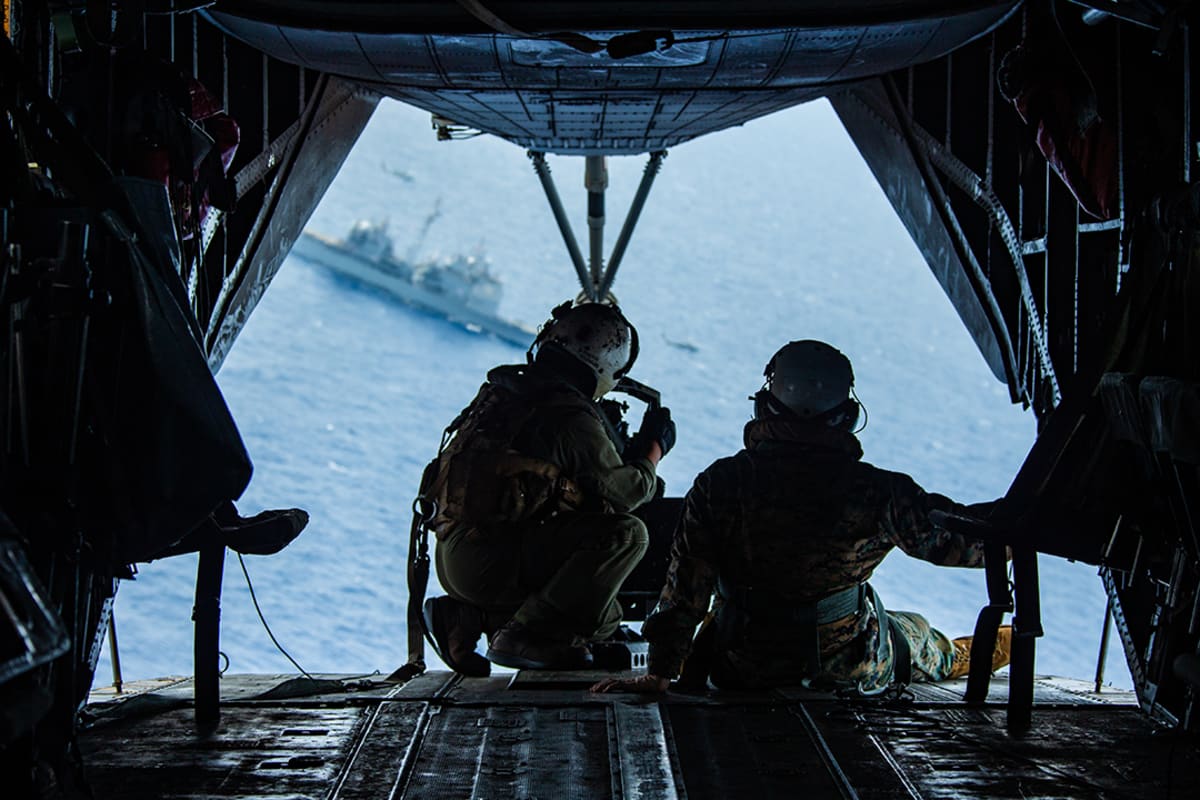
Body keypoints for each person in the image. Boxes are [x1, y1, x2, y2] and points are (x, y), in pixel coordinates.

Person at [592, 339, 1009, 695]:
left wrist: (661, 672)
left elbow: (686, 586)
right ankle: (979, 651)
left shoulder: (720, 483)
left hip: (738, 664)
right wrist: (1018, 519)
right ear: (847, 416)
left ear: (763, 408)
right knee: (915, 633)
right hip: (843, 668)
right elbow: (970, 545)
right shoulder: (878, 491)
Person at [422, 300, 675, 675]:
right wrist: (652, 452)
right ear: (605, 369)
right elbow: (626, 494)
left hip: (456, 556)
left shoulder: (506, 393)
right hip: (490, 562)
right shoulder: (567, 413)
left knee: (589, 606)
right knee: (624, 546)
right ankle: (525, 635)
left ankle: (466, 616)